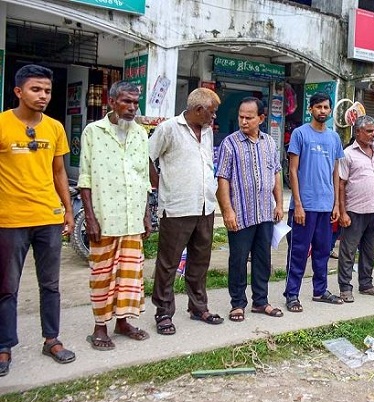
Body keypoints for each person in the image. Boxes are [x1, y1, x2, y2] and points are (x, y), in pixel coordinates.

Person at [0, 64, 76, 376]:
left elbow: (59, 172)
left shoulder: (55, 128)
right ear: (18, 91)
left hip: (48, 216)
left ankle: (51, 339)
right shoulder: (3, 124)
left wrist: (68, 210)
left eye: (46, 90)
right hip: (10, 219)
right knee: (7, 287)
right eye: (35, 89)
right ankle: (4, 346)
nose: (42, 95)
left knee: (51, 284)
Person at [78, 81, 152, 350]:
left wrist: (146, 216)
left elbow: (143, 178)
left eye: (135, 102)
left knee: (130, 274)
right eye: (126, 101)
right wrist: (90, 217)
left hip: (133, 216)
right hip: (104, 216)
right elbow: (85, 178)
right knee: (103, 274)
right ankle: (100, 327)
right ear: (111, 102)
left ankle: (123, 321)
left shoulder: (141, 134)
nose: (132, 107)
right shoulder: (93, 132)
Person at [149, 87, 224, 335]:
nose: (214, 117)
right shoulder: (169, 128)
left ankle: (198, 307)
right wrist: (158, 185)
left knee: (200, 261)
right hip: (177, 207)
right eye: (211, 113)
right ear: (198, 110)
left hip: (205, 206)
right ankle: (163, 312)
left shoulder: (208, 132)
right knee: (168, 263)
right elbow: (147, 157)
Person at [216, 97, 284, 321]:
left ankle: (260, 301)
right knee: (238, 259)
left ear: (261, 118)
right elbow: (223, 178)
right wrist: (227, 211)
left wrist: (279, 204)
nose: (244, 121)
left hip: (265, 212)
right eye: (241, 117)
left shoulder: (269, 143)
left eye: (249, 117)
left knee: (262, 259)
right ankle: (237, 303)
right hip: (241, 214)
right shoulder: (230, 143)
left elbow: (276, 173)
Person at [285, 92, 345, 311]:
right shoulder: (300, 134)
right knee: (298, 252)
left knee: (322, 251)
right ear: (310, 109)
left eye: (326, 107)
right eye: (318, 107)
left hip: (326, 206)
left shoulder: (334, 138)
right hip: (304, 206)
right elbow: (292, 170)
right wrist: (298, 204)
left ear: (330, 111)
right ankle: (292, 294)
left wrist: (337, 204)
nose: (322, 111)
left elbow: (336, 172)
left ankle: (320, 291)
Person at [336, 115, 374, 302]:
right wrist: (342, 212)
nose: (373, 135)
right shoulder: (348, 154)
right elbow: (341, 184)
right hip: (354, 210)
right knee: (348, 250)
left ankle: (366, 284)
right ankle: (345, 287)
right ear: (357, 132)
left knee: (370, 250)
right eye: (369, 131)